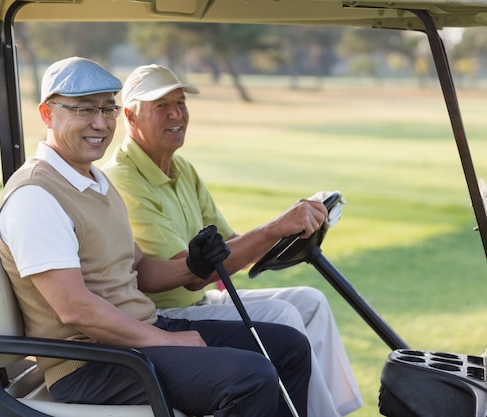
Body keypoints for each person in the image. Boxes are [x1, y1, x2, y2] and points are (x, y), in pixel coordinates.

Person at [0, 56, 312, 417]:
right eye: (83, 110)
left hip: (137, 335)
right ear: (47, 114)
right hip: (89, 363)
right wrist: (165, 340)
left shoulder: (95, 181)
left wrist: (193, 265)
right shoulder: (36, 195)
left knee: (288, 347)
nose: (100, 123)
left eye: (107, 108)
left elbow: (140, 268)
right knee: (250, 378)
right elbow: (75, 309)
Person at [102, 64, 363, 416]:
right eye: (161, 106)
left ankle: (333, 411)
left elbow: (232, 243)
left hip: (200, 302)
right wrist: (276, 227)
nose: (176, 114)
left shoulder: (182, 170)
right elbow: (194, 273)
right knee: (282, 315)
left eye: (180, 103)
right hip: (164, 313)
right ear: (130, 119)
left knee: (309, 300)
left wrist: (295, 228)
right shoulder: (124, 179)